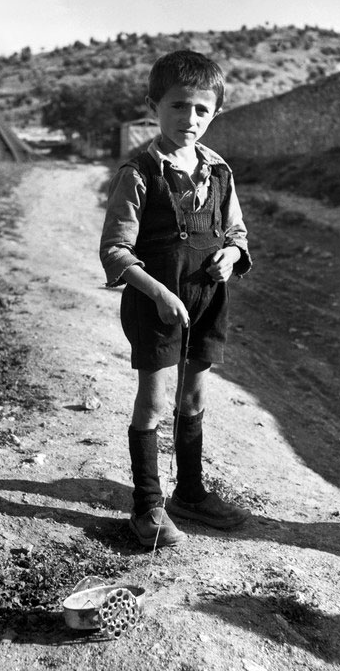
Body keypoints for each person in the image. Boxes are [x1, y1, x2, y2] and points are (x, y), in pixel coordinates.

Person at [99, 51, 252, 547]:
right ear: (154, 107)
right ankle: (147, 506)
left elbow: (237, 231)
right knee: (155, 400)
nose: (190, 120)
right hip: (158, 303)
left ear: (216, 113)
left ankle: (190, 491)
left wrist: (231, 254)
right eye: (178, 106)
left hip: (207, 300)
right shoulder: (139, 172)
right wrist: (159, 293)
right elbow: (116, 251)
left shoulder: (220, 170)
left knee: (194, 395)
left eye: (202, 110)